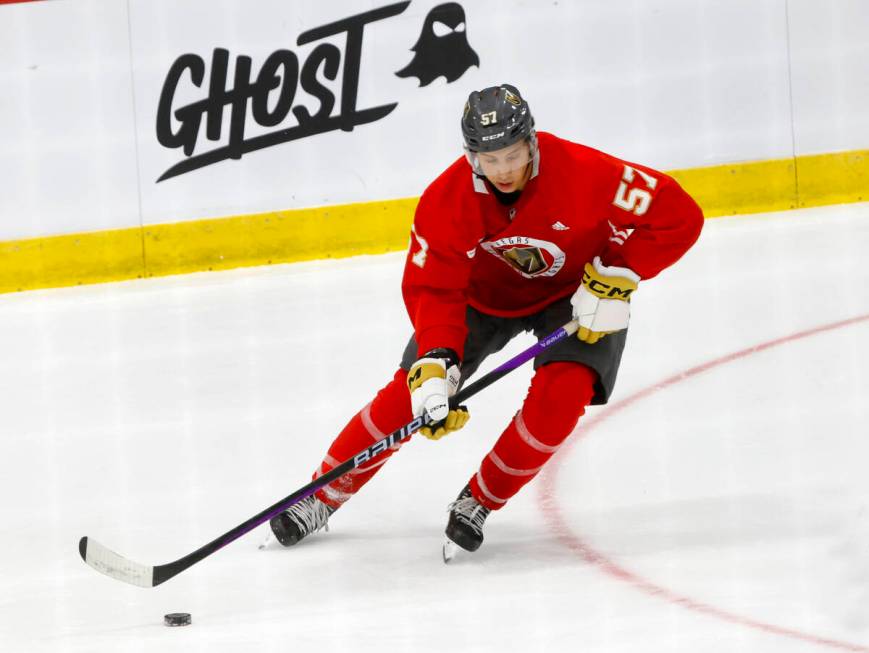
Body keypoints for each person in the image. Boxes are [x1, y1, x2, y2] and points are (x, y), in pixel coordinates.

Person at [269, 83, 704, 555]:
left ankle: (480, 500)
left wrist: (618, 273)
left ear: (532, 142)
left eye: (513, 154)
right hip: (480, 301)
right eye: (489, 159)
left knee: (562, 399)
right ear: (472, 155)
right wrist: (436, 361)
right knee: (406, 397)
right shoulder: (447, 199)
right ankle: (322, 494)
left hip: (575, 294)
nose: (503, 169)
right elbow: (435, 286)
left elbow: (680, 215)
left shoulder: (584, 171)